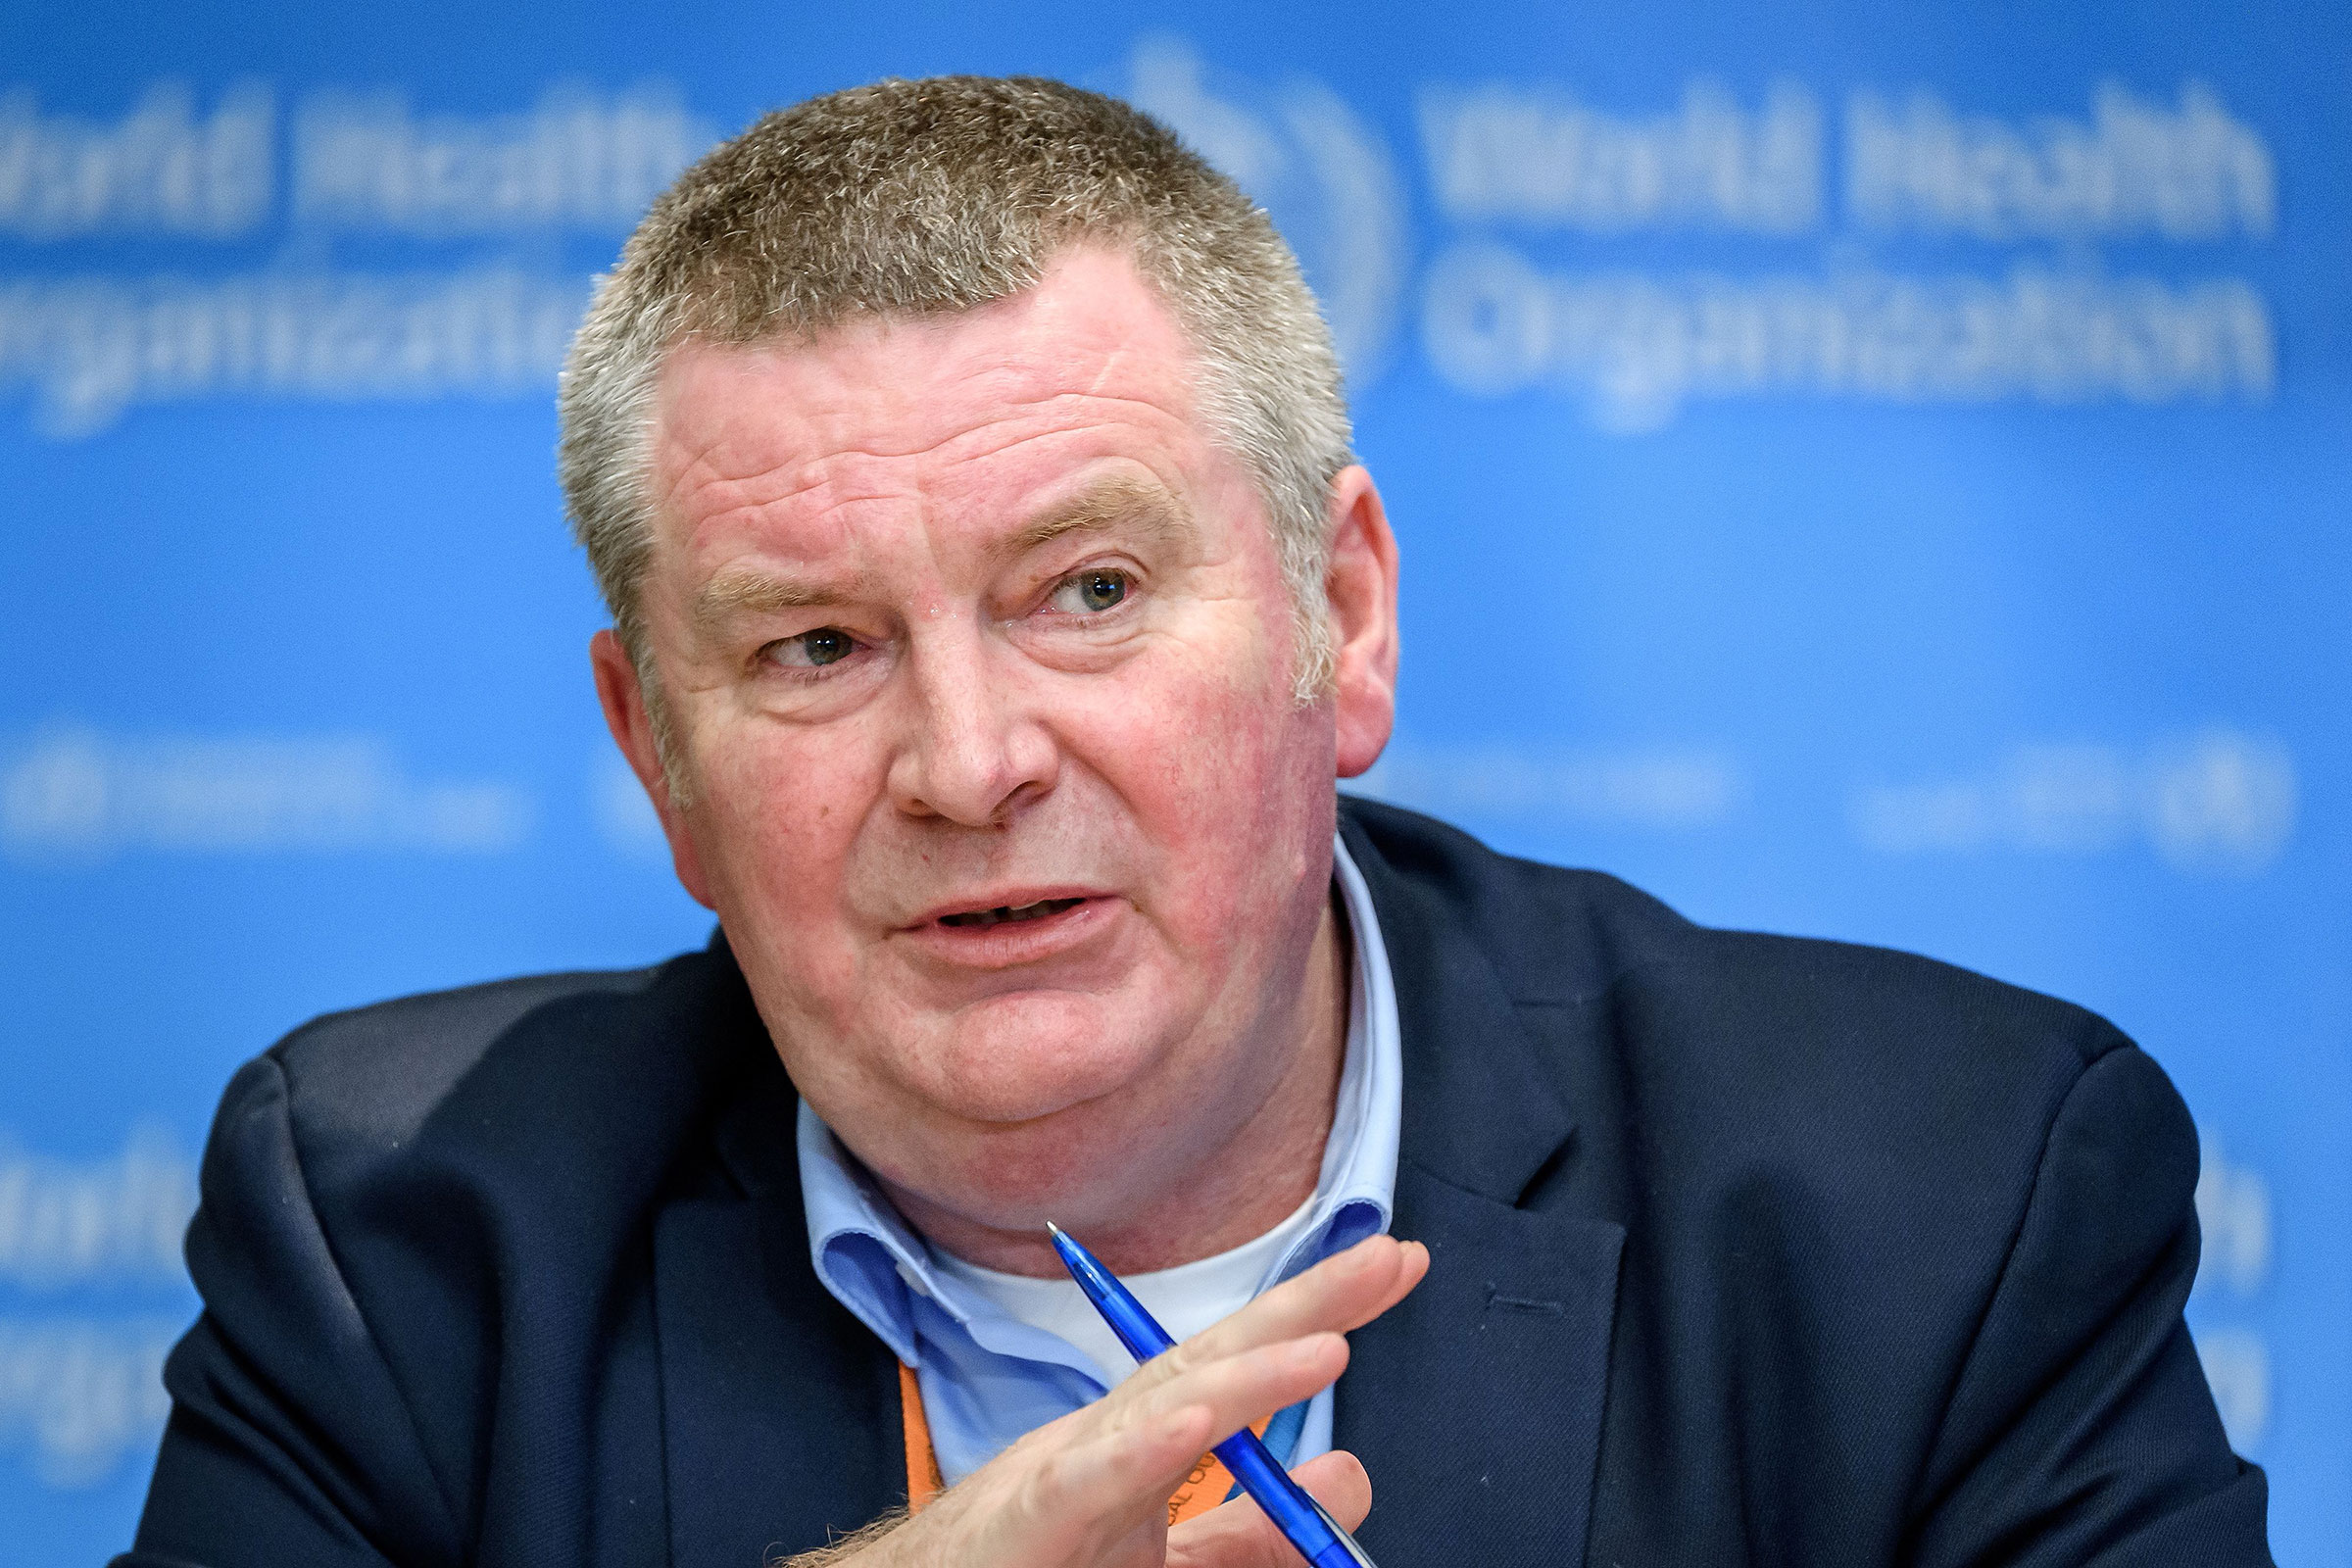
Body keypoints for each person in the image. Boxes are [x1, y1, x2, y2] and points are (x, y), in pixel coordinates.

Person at [117, 76, 2273, 1568]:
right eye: (815, 648)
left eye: (1089, 592)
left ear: (1341, 621)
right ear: (655, 753)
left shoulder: (1941, 1200)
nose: (968, 762)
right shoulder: (400, 1235)